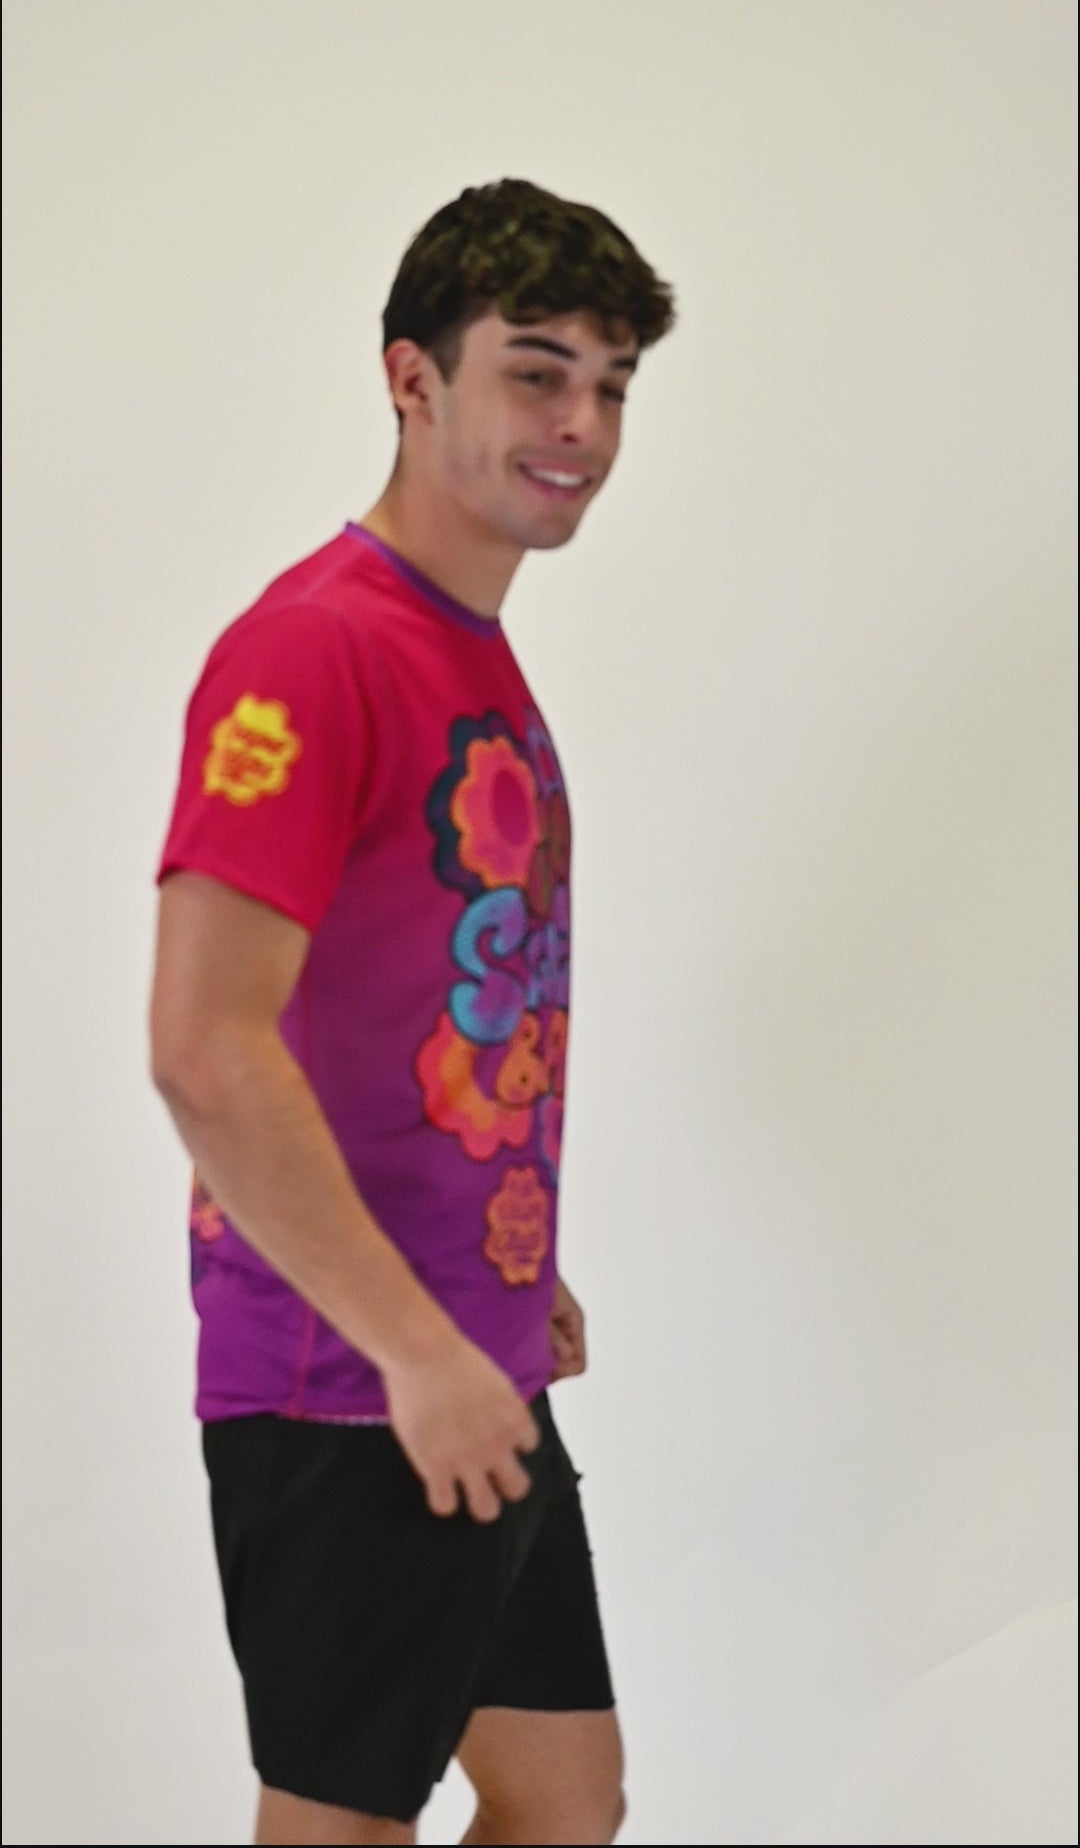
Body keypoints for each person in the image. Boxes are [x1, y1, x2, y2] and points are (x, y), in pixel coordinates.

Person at [149, 177, 677, 1848]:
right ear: (412, 378)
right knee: (340, 1828)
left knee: (562, 1798)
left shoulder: (467, 647)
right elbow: (205, 1047)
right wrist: (415, 1343)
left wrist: (504, 1260)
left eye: (611, 385)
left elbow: (411, 1005)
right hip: (349, 1383)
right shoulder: (311, 652)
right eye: (537, 371)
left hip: (461, 1352)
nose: (582, 426)